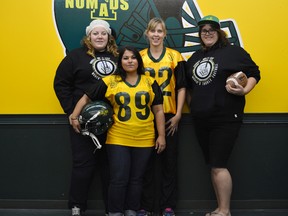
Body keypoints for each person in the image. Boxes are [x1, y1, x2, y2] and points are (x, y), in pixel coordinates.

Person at [69, 46, 166, 216]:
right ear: (120, 61)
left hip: (145, 137)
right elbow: (86, 97)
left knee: (137, 179)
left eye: (133, 58)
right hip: (118, 136)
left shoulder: (150, 81)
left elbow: (158, 110)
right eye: (126, 58)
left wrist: (162, 136)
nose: (130, 61)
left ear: (139, 61)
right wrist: (74, 115)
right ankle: (114, 212)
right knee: (119, 178)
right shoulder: (110, 80)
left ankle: (131, 210)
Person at [185, 15, 261, 216]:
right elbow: (188, 87)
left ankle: (225, 211)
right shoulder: (195, 58)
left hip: (225, 117)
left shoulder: (234, 52)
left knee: (219, 164)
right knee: (214, 165)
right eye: (203, 31)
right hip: (201, 119)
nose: (207, 33)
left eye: (211, 30)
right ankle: (220, 208)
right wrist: (194, 105)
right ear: (200, 35)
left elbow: (254, 73)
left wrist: (245, 90)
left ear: (219, 32)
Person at [53, 19, 118, 216]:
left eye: (103, 33)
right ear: (89, 36)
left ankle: (112, 209)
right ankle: (76, 206)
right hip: (82, 122)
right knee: (83, 165)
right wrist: (72, 112)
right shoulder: (75, 57)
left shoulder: (119, 57)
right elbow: (61, 84)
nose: (99, 37)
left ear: (109, 37)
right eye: (95, 33)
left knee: (111, 167)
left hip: (113, 122)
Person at [139, 17, 186, 216]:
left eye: (160, 31)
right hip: (145, 116)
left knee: (169, 163)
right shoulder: (139, 57)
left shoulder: (175, 56)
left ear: (165, 34)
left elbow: (182, 86)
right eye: (153, 31)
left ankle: (168, 206)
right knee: (145, 163)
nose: (156, 34)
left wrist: (178, 115)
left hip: (169, 114)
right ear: (147, 34)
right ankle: (145, 206)